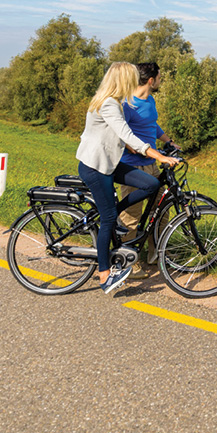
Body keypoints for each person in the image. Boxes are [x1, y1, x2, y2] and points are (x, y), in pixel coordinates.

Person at [76, 62, 179, 294]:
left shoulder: (116, 102)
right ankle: (105, 275)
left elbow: (137, 129)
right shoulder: (110, 104)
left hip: (111, 164)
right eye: (132, 78)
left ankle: (116, 215)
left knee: (152, 184)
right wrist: (157, 155)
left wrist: (161, 144)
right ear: (124, 79)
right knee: (109, 218)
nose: (136, 82)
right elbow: (126, 133)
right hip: (97, 167)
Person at [119, 62, 177, 279]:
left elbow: (153, 124)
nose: (161, 80)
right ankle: (127, 262)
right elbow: (121, 134)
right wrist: (142, 150)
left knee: (161, 209)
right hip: (133, 165)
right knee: (132, 215)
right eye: (159, 77)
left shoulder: (150, 100)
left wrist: (168, 141)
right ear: (151, 80)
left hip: (152, 163)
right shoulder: (127, 105)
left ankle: (157, 254)